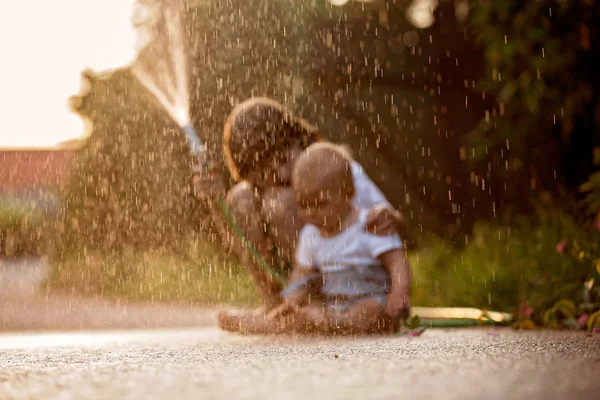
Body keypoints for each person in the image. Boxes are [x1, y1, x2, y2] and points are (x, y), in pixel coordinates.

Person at [193, 97, 406, 315]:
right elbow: (239, 242)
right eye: (268, 173)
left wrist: (387, 215)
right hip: (299, 275)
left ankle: (313, 303)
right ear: (250, 174)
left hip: (356, 286)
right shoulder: (257, 192)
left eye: (285, 159)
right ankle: (276, 303)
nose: (283, 174)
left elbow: (393, 220)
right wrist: (216, 203)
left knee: (282, 202)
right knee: (240, 199)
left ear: (299, 139)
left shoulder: (329, 166)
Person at [220, 143, 411, 334]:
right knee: (301, 317)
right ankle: (266, 324)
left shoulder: (369, 225)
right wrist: (291, 301)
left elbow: (396, 262)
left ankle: (335, 323)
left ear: (348, 195)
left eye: (319, 205)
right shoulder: (311, 234)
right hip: (333, 304)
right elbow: (301, 273)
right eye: (303, 205)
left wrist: (399, 293)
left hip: (371, 298)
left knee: (371, 312)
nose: (310, 213)